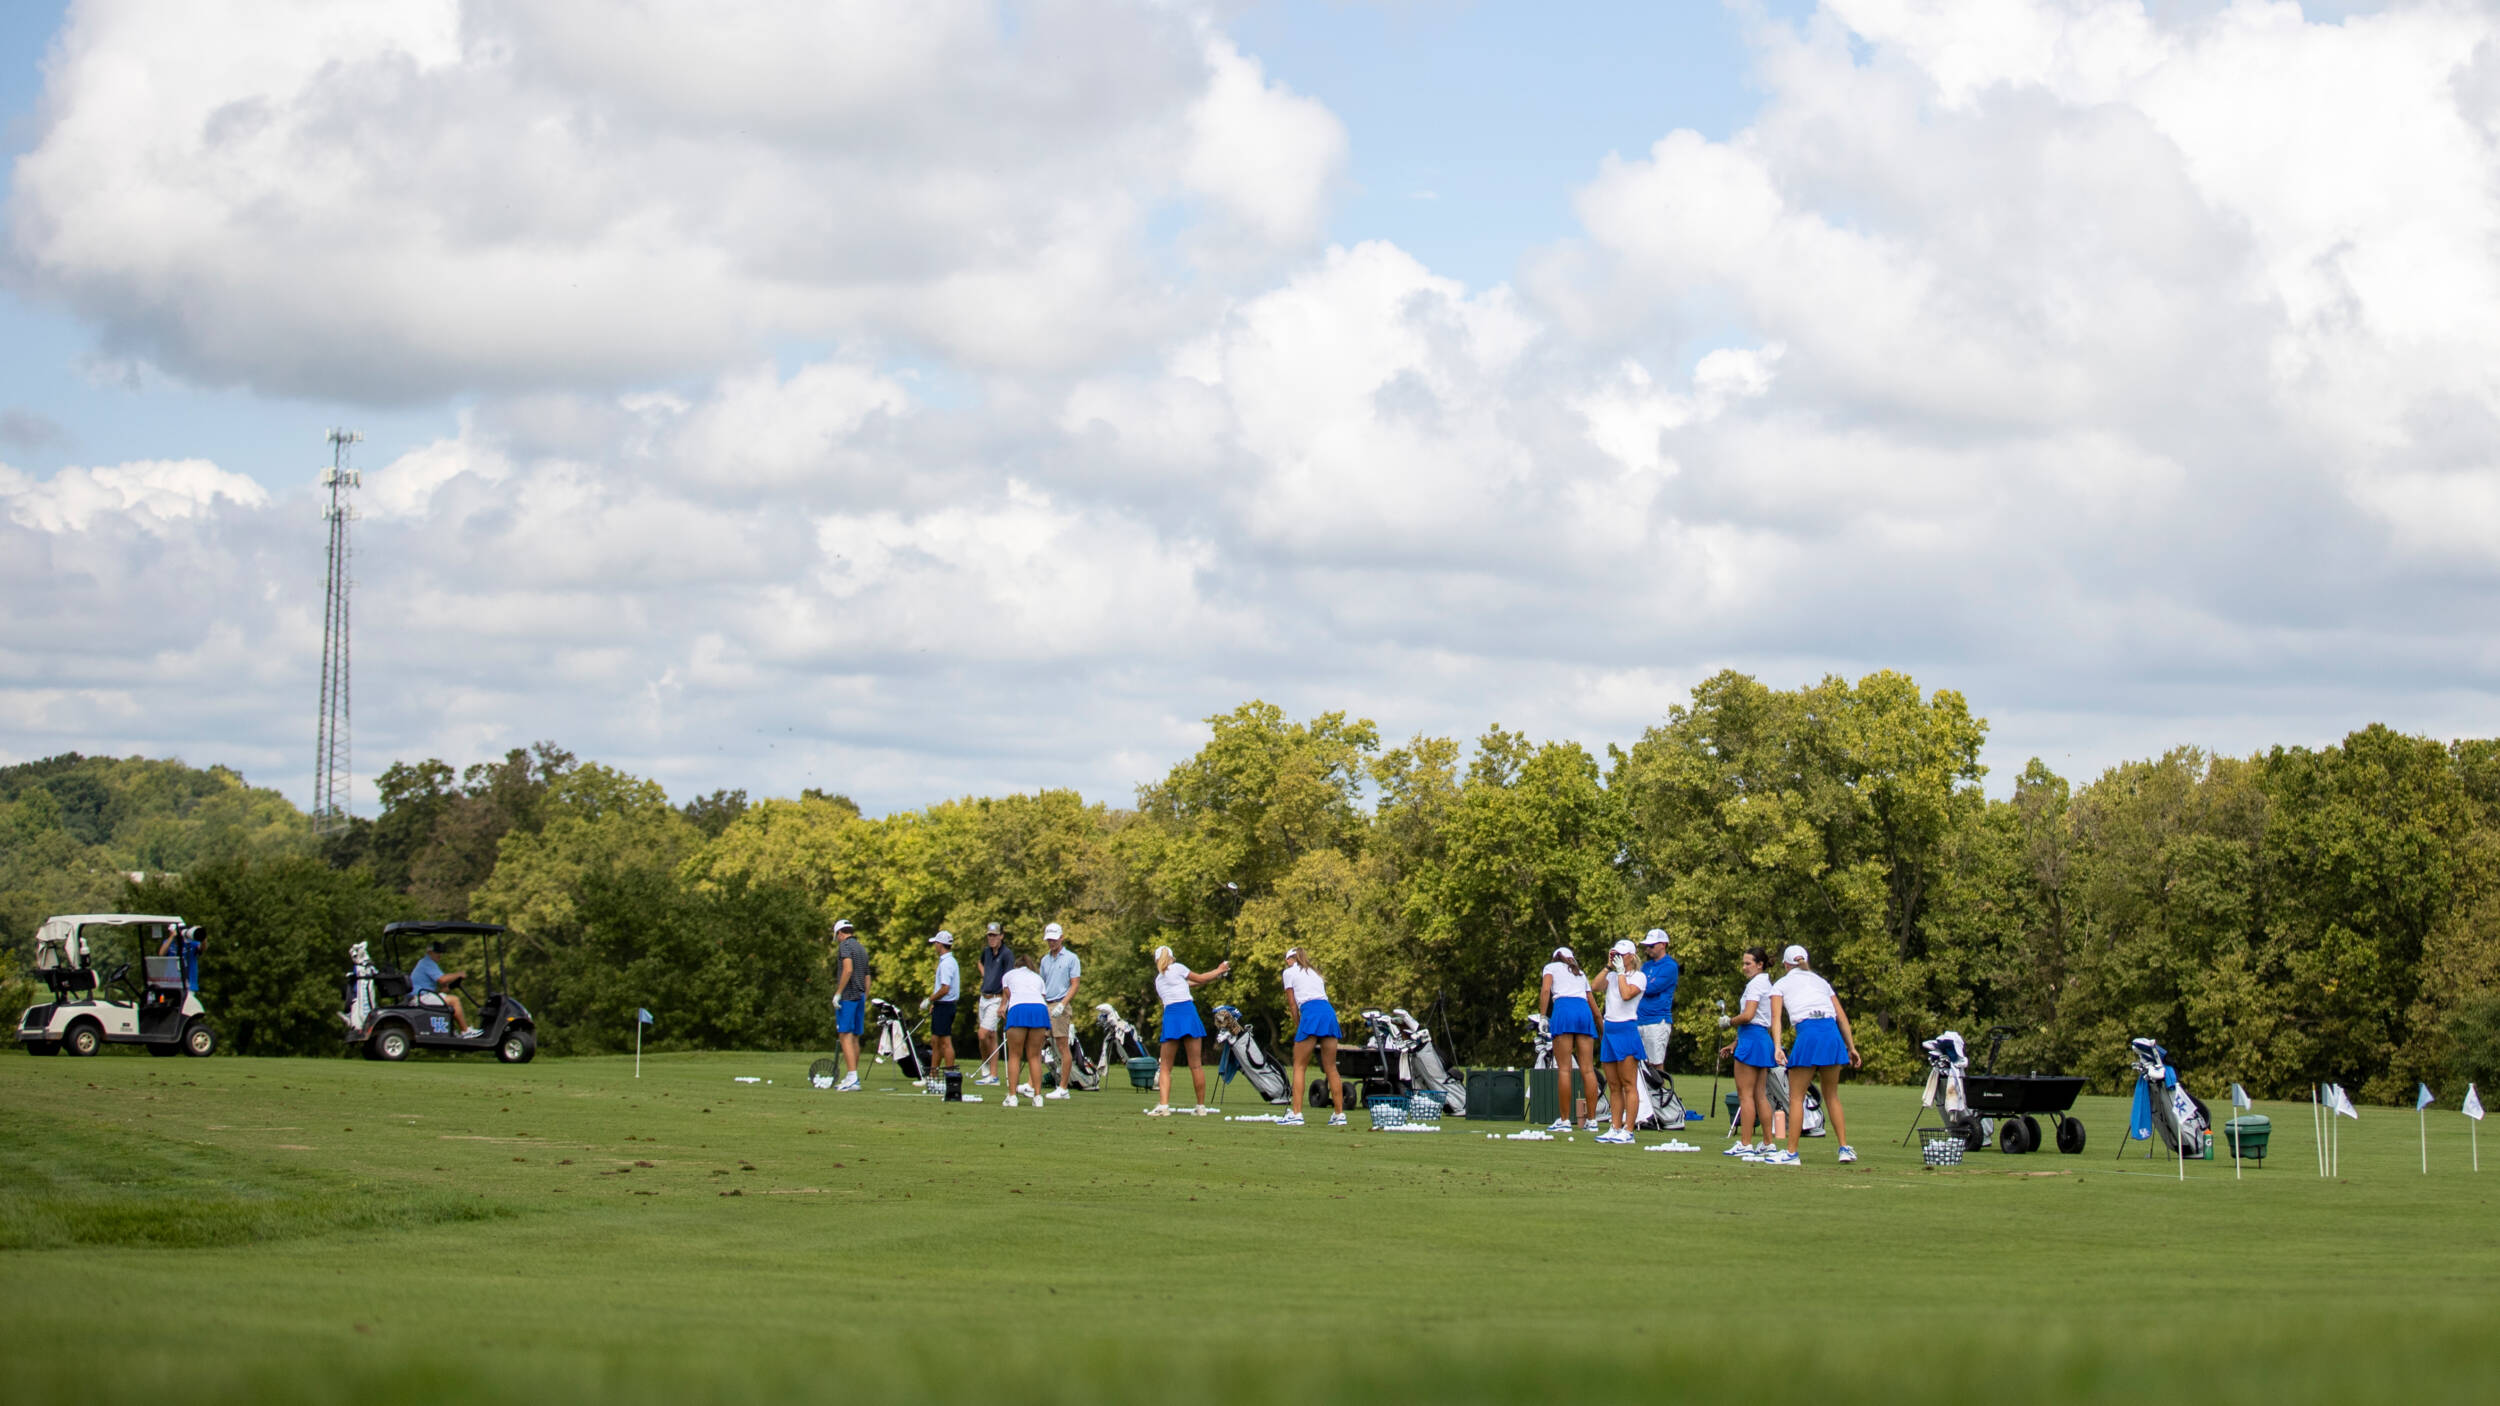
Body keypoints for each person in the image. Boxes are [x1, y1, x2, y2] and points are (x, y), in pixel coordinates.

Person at [1766, 944, 1860, 1166]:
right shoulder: (1821, 981)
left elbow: (1776, 1019)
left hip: (1809, 1034)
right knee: (1832, 1096)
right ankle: (1844, 1148)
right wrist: (1852, 1047)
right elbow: (1841, 1017)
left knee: (1796, 1097)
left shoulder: (1780, 984)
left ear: (1786, 965)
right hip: (1832, 1035)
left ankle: (1791, 1153)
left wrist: (1777, 1046)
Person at [1147, 945, 1231, 1116]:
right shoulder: (1178, 968)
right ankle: (1200, 1107)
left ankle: (1164, 1106)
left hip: (1172, 1016)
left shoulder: (1158, 980)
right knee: (1196, 1065)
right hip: (1188, 1013)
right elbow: (1199, 979)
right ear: (1172, 957)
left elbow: (1191, 983)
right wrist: (1219, 970)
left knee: (1165, 1067)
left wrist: (1216, 975)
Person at [1717, 947, 1777, 1160]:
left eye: (1748, 963)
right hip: (1760, 1039)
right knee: (1760, 1094)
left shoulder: (1755, 985)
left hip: (1752, 1040)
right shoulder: (1767, 984)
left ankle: (1745, 1143)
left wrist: (1729, 1021)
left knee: (1746, 1095)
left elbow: (1749, 1015)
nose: (1744, 967)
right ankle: (1768, 1143)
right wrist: (1735, 1042)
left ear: (1759, 964)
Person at [1280, 947, 1346, 1127]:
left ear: (1288, 960)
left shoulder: (1289, 972)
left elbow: (1293, 1005)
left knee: (1299, 1066)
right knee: (1331, 1067)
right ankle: (1339, 1115)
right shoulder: (1314, 972)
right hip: (1328, 1013)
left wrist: (1297, 1024)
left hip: (1310, 1014)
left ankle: (1296, 1113)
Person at [1540, 947, 1602, 1132]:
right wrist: (1602, 1028)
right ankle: (1592, 1121)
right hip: (1583, 1013)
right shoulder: (1580, 973)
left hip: (1564, 1011)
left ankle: (1565, 1121)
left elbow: (1545, 991)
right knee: (1588, 1070)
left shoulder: (1550, 967)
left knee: (1565, 1070)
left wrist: (1543, 1017)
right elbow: (1594, 1006)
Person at [1596, 939, 1648, 1144]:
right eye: (1615, 954)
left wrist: (1619, 973)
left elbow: (1626, 995)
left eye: (1621, 955)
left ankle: (1628, 1129)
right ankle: (1615, 1127)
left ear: (1631, 956)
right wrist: (1609, 967)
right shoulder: (1612, 973)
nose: (1618, 957)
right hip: (1610, 1030)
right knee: (1614, 1084)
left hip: (1626, 1030)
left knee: (1628, 1084)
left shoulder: (1639, 977)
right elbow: (1595, 986)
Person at [997, 954, 1052, 1109]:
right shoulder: (1037, 978)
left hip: (1019, 1008)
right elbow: (1041, 996)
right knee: (1034, 1055)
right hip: (1039, 1009)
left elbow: (1008, 995)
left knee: (1015, 1054)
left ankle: (1013, 1096)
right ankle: (1038, 1097)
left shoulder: (1008, 975)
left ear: (1017, 966)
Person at [1038, 923, 1082, 1100]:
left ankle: (1063, 1087)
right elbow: (1042, 984)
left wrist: (1063, 1004)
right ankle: (1031, 1083)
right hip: (1045, 1004)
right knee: (1037, 1043)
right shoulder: (1044, 960)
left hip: (1060, 1005)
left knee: (1062, 1046)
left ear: (1061, 938)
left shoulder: (1071, 958)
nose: (1051, 942)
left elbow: (1075, 984)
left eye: (1054, 939)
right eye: (1049, 939)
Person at [832, 919, 872, 1092]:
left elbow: (847, 970)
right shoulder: (861, 948)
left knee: (844, 1035)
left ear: (841, 933)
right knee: (854, 1036)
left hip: (848, 996)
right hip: (861, 996)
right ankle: (851, 1076)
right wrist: (865, 996)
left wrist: (838, 993)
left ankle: (853, 1077)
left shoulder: (845, 946)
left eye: (837, 937)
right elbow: (867, 977)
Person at [408, 940, 478, 1038]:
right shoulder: (427, 962)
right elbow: (442, 979)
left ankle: (453, 1031)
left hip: (423, 996)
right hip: (421, 997)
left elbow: (441, 987)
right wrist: (459, 974)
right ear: (429, 952)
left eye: (440, 952)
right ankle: (465, 1031)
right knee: (454, 1000)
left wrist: (448, 987)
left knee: (448, 1000)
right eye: (437, 952)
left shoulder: (426, 963)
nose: (440, 955)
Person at [975, 922, 1015, 1085]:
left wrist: (1003, 1004)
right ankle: (992, 1074)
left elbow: (1008, 981)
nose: (991, 938)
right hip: (984, 998)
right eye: (989, 935)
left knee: (982, 1033)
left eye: (994, 935)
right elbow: (980, 963)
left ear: (1001, 936)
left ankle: (988, 1070)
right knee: (989, 1036)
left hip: (997, 998)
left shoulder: (1007, 954)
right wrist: (987, 976)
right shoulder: (986, 952)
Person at [1637, 928, 1679, 1074]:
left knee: (1656, 1064)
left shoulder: (1670, 966)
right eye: (1647, 946)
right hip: (1639, 1019)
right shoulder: (1646, 966)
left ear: (1663, 944)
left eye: (1652, 946)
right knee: (1640, 1065)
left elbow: (1649, 989)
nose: (1648, 949)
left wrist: (1638, 986)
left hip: (1657, 1020)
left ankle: (1660, 1096)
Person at [925, 931, 959, 1084]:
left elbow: (945, 988)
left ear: (940, 944)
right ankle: (933, 1075)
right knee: (935, 1040)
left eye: (936, 943)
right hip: (942, 1005)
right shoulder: (948, 961)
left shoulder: (946, 963)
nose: (935, 946)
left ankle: (950, 1076)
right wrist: (934, 1004)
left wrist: (929, 999)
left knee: (945, 1042)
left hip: (945, 1005)